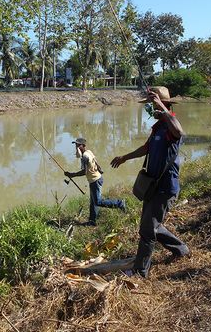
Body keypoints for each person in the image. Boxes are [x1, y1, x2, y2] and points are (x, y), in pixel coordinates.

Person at [111, 86, 189, 278]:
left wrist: (161, 106)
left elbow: (179, 132)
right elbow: (146, 148)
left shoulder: (170, 125)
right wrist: (125, 157)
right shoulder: (158, 127)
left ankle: (140, 271)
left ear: (163, 105)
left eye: (152, 106)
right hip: (152, 186)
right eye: (151, 106)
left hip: (165, 187)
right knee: (151, 225)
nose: (151, 109)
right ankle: (181, 249)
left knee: (147, 230)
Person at [64, 138, 126, 226]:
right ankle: (92, 221)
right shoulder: (88, 152)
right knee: (93, 202)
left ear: (83, 146)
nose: (77, 147)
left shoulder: (85, 157)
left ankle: (120, 203)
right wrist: (99, 169)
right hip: (95, 179)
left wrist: (71, 174)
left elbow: (84, 172)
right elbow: (95, 162)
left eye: (78, 145)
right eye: (76, 145)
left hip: (95, 180)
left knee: (98, 202)